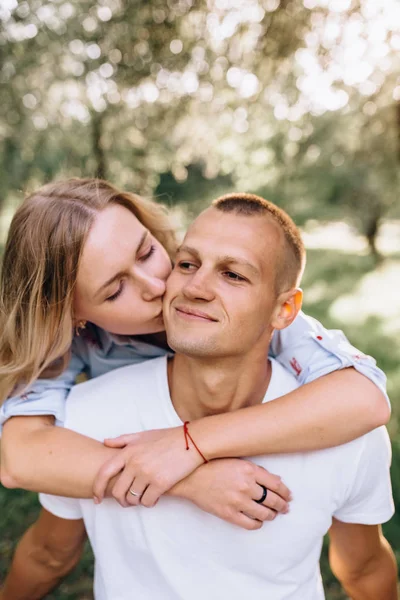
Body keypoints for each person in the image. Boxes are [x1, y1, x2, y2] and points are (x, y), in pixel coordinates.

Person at [3, 193, 395, 600]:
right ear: (74, 315)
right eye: (116, 289)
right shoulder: (74, 384)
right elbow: (21, 460)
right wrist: (186, 477)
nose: (164, 285)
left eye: (148, 253)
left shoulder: (289, 340)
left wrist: (190, 442)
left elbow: (365, 400)